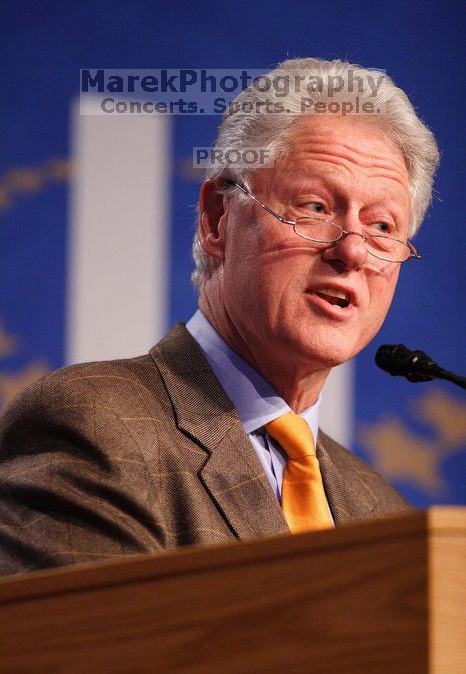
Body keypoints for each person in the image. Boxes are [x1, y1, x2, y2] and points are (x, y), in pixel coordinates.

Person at [0, 58, 439, 576]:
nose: (354, 252)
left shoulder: (382, 510)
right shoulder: (95, 428)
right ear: (217, 219)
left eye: (383, 226)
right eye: (316, 207)